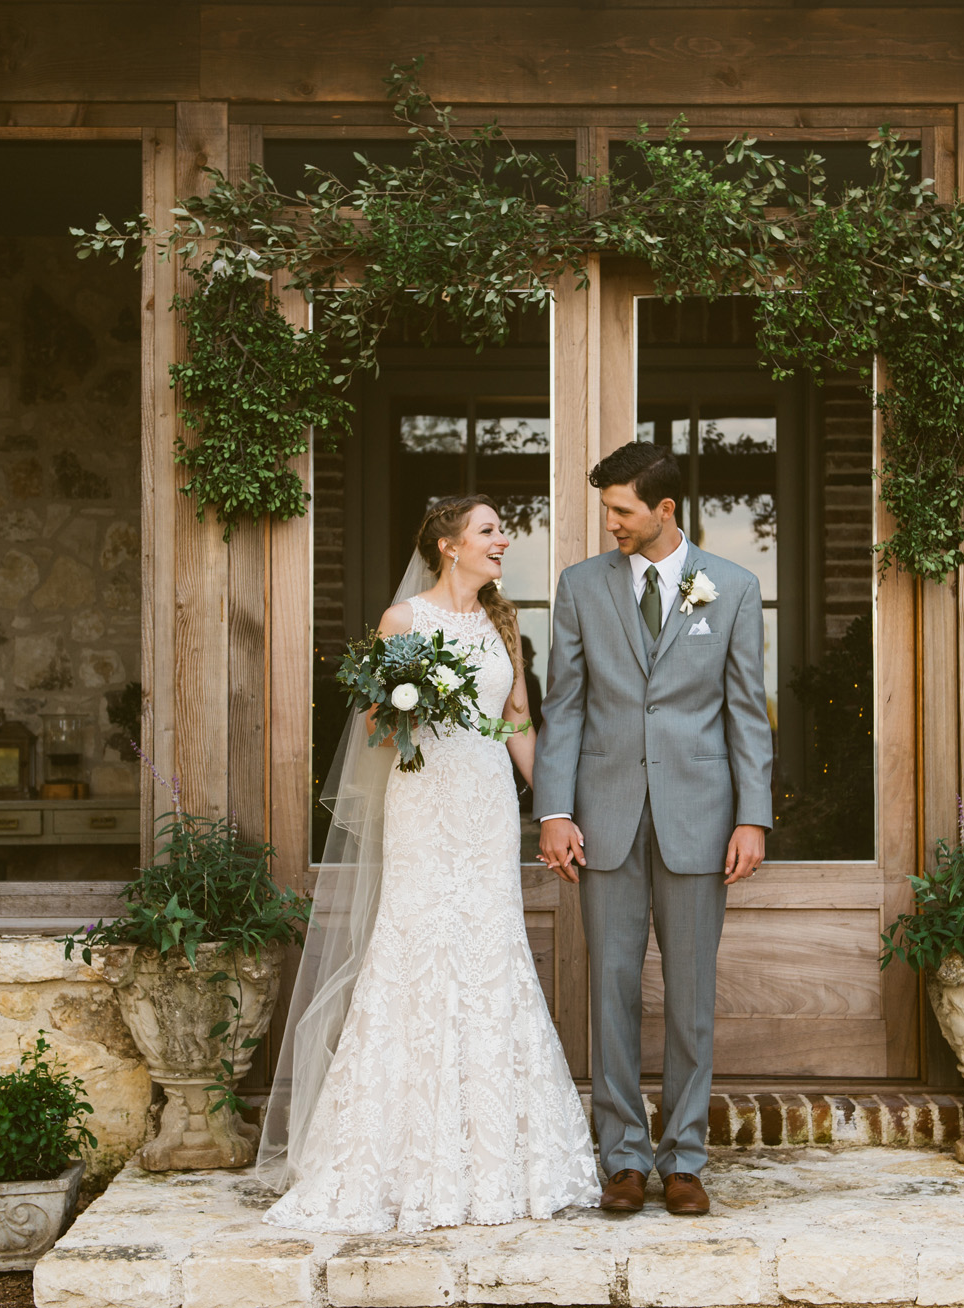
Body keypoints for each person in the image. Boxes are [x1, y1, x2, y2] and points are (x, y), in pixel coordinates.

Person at [259, 495, 598, 1234]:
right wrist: (413, 700)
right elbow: (378, 730)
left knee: (488, 954)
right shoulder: (404, 621)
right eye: (488, 531)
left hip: (484, 806)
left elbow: (516, 723)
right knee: (414, 952)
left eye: (500, 532)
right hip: (422, 802)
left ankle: (499, 1157)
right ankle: (396, 1158)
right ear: (449, 545)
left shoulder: (504, 623)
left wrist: (554, 808)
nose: (502, 541)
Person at [533, 442, 773, 1218]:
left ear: (665, 510)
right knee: (610, 990)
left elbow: (747, 711)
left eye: (622, 511)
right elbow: (563, 705)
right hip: (602, 819)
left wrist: (752, 816)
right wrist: (556, 809)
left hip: (700, 819)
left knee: (692, 998)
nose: (611, 524)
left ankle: (687, 1159)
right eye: (606, 510)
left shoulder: (732, 588)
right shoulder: (578, 588)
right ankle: (624, 1158)